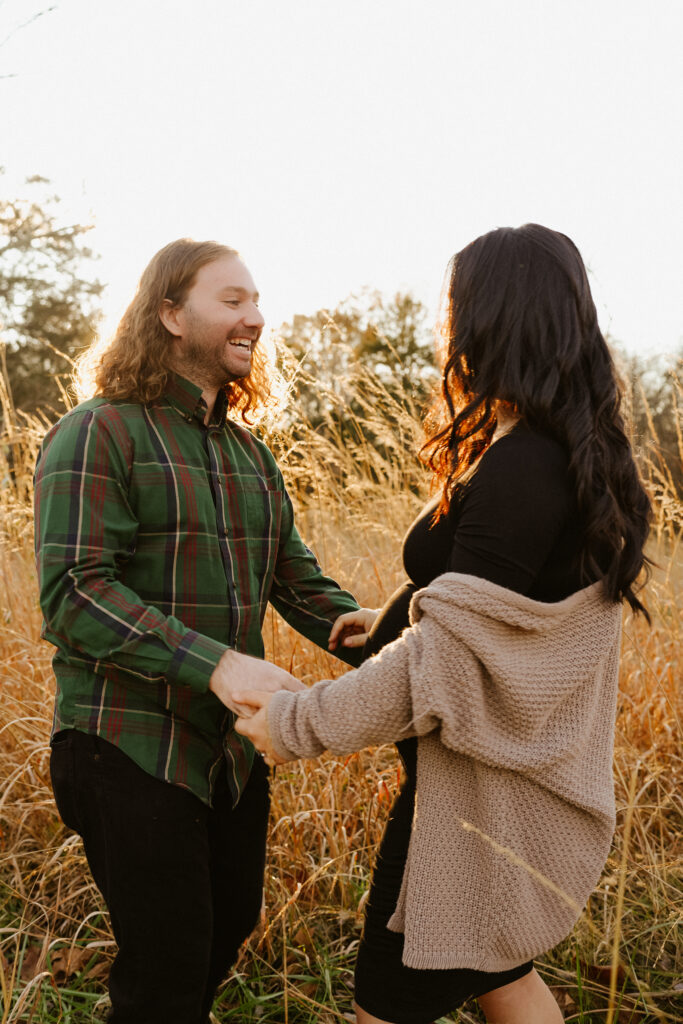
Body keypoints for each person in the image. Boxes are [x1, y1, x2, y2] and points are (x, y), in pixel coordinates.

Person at [234, 224, 651, 1024]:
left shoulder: (527, 463)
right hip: (477, 790)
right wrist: (385, 622)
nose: (448, 324)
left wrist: (297, 723)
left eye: (457, 305)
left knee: (382, 1006)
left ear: (493, 316)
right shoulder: (546, 444)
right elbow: (488, 611)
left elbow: (451, 657)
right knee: (501, 977)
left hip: (473, 809)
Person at [33, 238, 360, 1024]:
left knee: (222, 933)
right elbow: (75, 593)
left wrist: (402, 639)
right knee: (169, 966)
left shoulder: (251, 456)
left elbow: (301, 585)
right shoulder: (99, 433)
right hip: (124, 744)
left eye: (255, 301)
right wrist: (215, 664)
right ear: (170, 314)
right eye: (232, 300)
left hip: (230, 755)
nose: (255, 317)